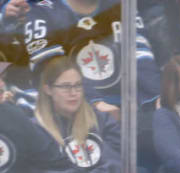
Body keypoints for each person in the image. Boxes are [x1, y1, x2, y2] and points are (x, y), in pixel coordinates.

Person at [22, 0, 162, 116]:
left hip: (127, 106)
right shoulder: (43, 12)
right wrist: (95, 102)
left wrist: (158, 96)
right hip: (71, 108)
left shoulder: (121, 6)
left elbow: (141, 56)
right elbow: (51, 68)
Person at [29, 56, 121, 173]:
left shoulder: (100, 119)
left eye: (78, 85)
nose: (74, 93)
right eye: (66, 87)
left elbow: (121, 161)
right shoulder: (35, 128)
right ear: (48, 89)